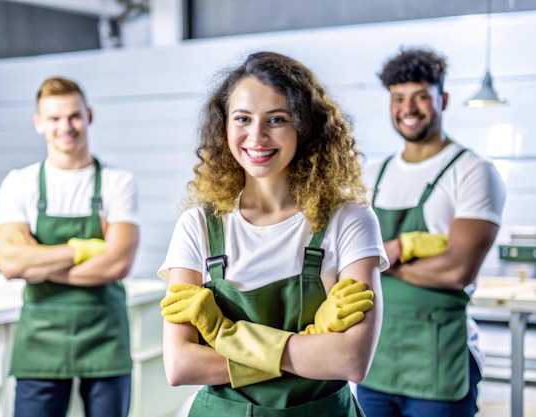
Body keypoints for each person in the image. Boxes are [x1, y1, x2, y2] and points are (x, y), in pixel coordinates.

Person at [157, 51, 388, 417]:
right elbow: (181, 365)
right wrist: (311, 348)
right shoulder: (199, 225)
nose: (257, 136)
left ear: (305, 127)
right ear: (224, 128)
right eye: (242, 119)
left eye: (277, 119)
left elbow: (351, 360)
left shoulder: (349, 221)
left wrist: (225, 336)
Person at [356, 48, 506, 417]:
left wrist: (381, 262)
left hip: (439, 364)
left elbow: (457, 270)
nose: (409, 108)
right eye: (398, 98)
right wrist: (400, 253)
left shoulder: (472, 171)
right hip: (372, 360)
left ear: (443, 99)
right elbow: (343, 262)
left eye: (421, 96)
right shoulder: (373, 175)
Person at [0, 76, 140, 417]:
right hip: (39, 341)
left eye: (73, 116)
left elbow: (117, 263)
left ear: (88, 115)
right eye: (54, 119)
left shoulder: (119, 182)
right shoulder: (20, 183)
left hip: (105, 337)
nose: (66, 127)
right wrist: (86, 248)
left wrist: (39, 266)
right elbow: (10, 261)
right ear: (39, 124)